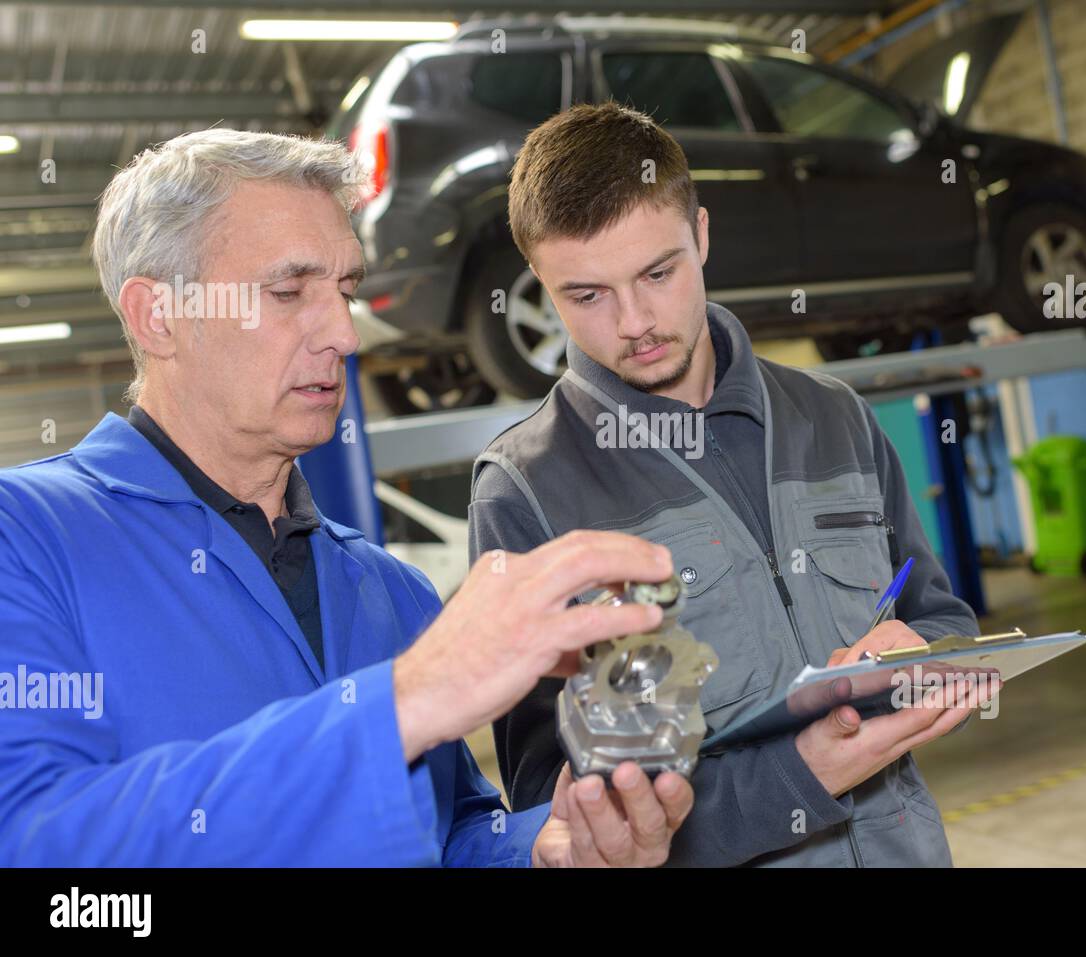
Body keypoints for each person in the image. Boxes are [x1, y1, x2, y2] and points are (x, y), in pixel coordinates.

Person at [0, 129, 694, 867]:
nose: (342, 333)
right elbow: (38, 849)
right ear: (157, 315)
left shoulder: (391, 590)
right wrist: (403, 701)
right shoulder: (29, 538)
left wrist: (544, 848)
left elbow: (449, 831)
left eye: (345, 291)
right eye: (287, 291)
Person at [470, 103, 997, 868]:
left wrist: (919, 650)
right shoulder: (525, 490)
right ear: (543, 286)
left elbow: (945, 619)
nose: (635, 321)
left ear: (703, 235)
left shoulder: (834, 416)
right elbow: (553, 810)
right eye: (586, 295)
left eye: (659, 271)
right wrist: (801, 774)